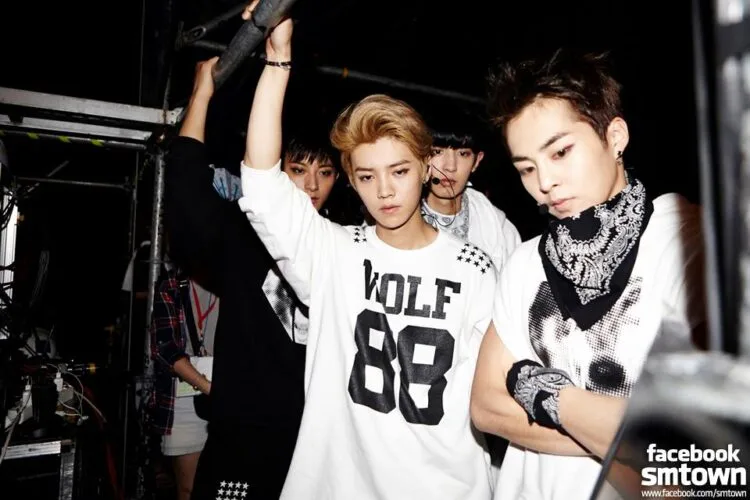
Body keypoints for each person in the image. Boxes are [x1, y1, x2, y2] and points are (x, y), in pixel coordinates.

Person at [237, 8, 497, 499]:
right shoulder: (333, 253)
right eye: (366, 175)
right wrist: (277, 61)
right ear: (352, 183)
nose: (385, 190)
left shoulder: (475, 268)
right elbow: (261, 181)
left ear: (426, 168)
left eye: (399, 171)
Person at [470, 49, 706, 499]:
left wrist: (541, 390)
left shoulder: (685, 241)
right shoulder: (527, 260)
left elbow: (697, 448)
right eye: (526, 168)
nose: (544, 183)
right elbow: (485, 406)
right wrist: (623, 442)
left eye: (560, 152)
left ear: (614, 136)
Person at [163, 50, 340, 498]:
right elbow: (186, 194)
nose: (312, 186)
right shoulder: (245, 234)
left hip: (317, 441)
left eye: (324, 172)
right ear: (278, 171)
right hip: (243, 437)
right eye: (299, 170)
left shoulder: (342, 242)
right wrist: (201, 95)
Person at [421, 104, 521, 271]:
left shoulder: (500, 230)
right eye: (437, 152)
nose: (450, 166)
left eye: (463, 154)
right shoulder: (395, 217)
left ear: (476, 161)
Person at [148, 265, 216, 500]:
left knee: (229, 484)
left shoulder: (235, 280)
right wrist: (209, 387)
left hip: (231, 390)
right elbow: (165, 349)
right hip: (185, 393)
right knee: (189, 489)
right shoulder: (172, 285)